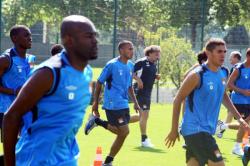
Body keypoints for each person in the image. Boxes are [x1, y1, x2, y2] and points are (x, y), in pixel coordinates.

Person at [3, 15, 98, 165]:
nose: (95, 41)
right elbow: (11, 117)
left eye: (95, 35)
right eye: (88, 36)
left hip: (67, 158)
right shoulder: (49, 73)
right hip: (37, 160)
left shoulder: (87, 72)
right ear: (69, 40)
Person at [165, 38, 249, 166]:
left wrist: (239, 118)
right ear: (208, 53)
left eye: (224, 51)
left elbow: (223, 96)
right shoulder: (197, 75)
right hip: (195, 129)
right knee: (219, 163)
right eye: (219, 51)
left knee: (194, 163)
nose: (223, 55)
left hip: (206, 129)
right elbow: (178, 100)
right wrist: (173, 129)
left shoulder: (224, 72)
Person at [84, 40, 141, 166]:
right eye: (129, 49)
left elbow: (129, 86)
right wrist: (95, 103)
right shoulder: (112, 65)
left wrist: (136, 102)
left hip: (124, 103)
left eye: (132, 49)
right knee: (124, 132)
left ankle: (97, 121)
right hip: (113, 103)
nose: (132, 51)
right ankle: (108, 162)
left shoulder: (131, 65)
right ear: (121, 51)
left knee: (122, 130)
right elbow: (99, 82)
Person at [0, 25, 32, 135]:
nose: (30, 38)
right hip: (7, 110)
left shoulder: (30, 59)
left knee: (25, 146)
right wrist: (14, 91)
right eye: (26, 35)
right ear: (14, 38)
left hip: (25, 110)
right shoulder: (5, 59)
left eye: (30, 35)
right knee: (12, 148)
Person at [133, 45, 160, 147]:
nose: (158, 55)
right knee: (145, 115)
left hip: (148, 92)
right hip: (140, 91)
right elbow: (131, 73)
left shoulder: (154, 64)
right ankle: (144, 140)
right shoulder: (142, 62)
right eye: (156, 53)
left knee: (142, 116)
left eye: (159, 53)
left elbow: (148, 75)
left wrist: (155, 76)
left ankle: (120, 122)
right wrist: (138, 80)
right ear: (149, 53)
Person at [225, 48, 250, 156]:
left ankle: (223, 126)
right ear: (248, 57)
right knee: (244, 123)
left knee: (246, 123)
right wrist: (243, 91)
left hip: (248, 100)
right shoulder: (239, 68)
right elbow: (229, 84)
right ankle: (237, 147)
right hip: (239, 100)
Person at [216, 51, 242, 138]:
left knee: (232, 116)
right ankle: (221, 128)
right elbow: (229, 83)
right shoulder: (235, 68)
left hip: (237, 97)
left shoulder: (237, 68)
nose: (229, 59)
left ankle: (221, 128)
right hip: (237, 97)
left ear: (236, 58)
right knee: (234, 116)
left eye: (231, 57)